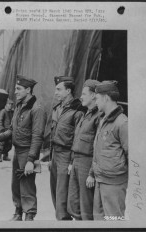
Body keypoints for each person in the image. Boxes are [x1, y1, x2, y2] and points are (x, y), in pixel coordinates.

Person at [0, 75, 45, 221]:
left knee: (27, 186)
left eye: (18, 89)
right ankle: (18, 212)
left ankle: (29, 216)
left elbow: (37, 136)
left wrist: (31, 159)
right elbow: (12, 129)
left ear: (28, 89)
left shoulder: (37, 109)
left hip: (27, 152)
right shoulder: (19, 106)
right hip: (17, 151)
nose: (15, 92)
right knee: (16, 184)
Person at [49, 76, 84, 220]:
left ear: (68, 90)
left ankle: (64, 222)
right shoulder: (57, 109)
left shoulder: (77, 111)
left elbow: (77, 139)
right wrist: (51, 158)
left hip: (66, 155)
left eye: (59, 89)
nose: (55, 92)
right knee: (55, 193)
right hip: (55, 155)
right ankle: (61, 220)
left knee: (63, 195)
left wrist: (71, 162)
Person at [93, 80, 128, 220]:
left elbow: (132, 155)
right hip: (100, 179)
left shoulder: (122, 122)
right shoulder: (103, 119)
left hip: (114, 183)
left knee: (114, 221)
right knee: (99, 221)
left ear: (106, 98)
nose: (95, 102)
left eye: (96, 98)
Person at [67, 79, 101, 220]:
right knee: (73, 204)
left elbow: (97, 147)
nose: (81, 97)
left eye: (84, 94)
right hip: (76, 162)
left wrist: (92, 173)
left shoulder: (98, 116)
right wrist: (71, 162)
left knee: (86, 204)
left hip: (87, 163)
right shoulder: (85, 114)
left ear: (94, 95)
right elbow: (76, 141)